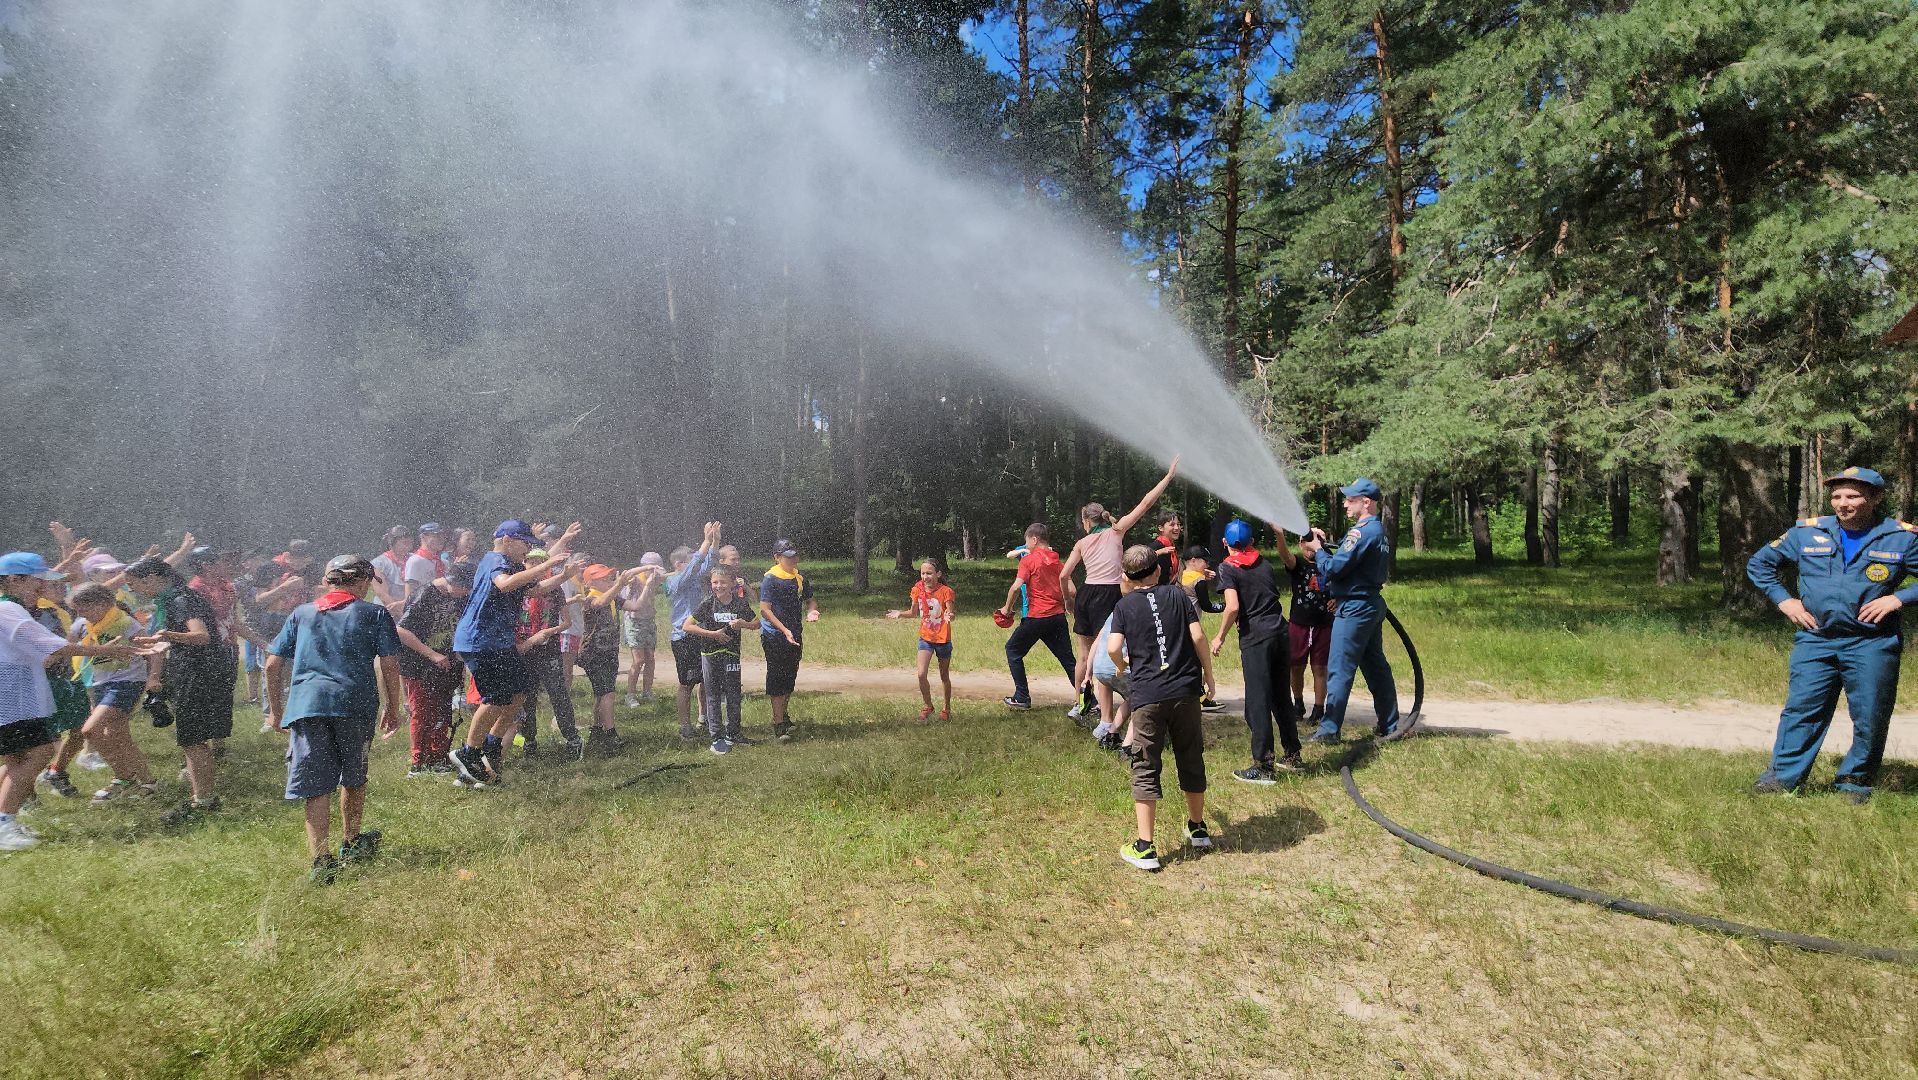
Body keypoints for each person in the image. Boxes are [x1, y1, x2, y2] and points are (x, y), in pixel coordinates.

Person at [1747, 466, 1918, 803]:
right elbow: (1759, 564)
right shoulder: (1807, 533)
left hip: (1871, 642)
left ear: (1875, 498)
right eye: (1837, 496)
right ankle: (1782, 778)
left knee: (1870, 714)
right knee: (1802, 709)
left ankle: (1854, 782)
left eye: (1853, 496)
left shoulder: (1901, 537)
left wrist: (1899, 598)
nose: (1843, 503)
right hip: (1816, 639)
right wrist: (1785, 601)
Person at [264, 554, 404, 884]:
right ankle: (351, 842)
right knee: (353, 776)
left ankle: (321, 860)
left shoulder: (302, 613)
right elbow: (389, 663)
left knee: (316, 785)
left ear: (328, 581)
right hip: (353, 705)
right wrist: (392, 707)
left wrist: (276, 712)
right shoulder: (374, 613)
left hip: (307, 707)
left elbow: (272, 665)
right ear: (362, 581)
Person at [0, 553, 143, 850]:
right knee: (39, 753)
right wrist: (105, 651)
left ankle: (6, 820)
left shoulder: (10, 608)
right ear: (14, 580)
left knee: (18, 758)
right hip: (13, 698)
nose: (43, 587)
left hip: (15, 695)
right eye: (38, 581)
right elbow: (52, 646)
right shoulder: (9, 609)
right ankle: (5, 824)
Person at [1107, 544, 1217, 872]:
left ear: (1127, 577)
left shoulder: (1124, 606)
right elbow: (1198, 637)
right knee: (1190, 755)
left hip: (1148, 695)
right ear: (1158, 570)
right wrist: (1208, 675)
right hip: (1185, 691)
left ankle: (1145, 847)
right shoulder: (1178, 595)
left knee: (1145, 764)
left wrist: (1122, 665)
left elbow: (1113, 647)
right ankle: (1197, 828)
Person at [447, 519, 579, 788]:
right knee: (496, 697)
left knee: (521, 690)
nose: (528, 550)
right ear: (507, 541)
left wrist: (563, 576)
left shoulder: (512, 564)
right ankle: (468, 753)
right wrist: (543, 566)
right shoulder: (494, 560)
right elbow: (505, 584)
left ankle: (492, 744)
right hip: (480, 640)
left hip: (499, 641)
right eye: (525, 544)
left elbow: (536, 589)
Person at [1058, 459, 1180, 729]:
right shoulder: (1116, 531)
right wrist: (1168, 477)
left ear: (1085, 521)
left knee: (1084, 655)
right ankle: (1107, 716)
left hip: (1087, 594)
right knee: (1106, 653)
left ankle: (1078, 704)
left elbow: (1064, 575)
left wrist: (1068, 600)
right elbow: (1145, 503)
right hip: (1110, 593)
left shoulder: (1082, 542)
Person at [127, 556, 234, 824]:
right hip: (196, 671)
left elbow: (201, 636)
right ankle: (202, 796)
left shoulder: (181, 600)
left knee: (192, 738)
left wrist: (166, 636)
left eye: (134, 584)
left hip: (198, 673)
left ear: (152, 578)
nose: (133, 590)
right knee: (193, 738)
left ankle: (203, 801)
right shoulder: (175, 598)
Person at [1304, 479, 1402, 743]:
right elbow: (1351, 561)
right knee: (1376, 667)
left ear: (1365, 502)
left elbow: (1334, 569)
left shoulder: (1360, 533)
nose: (1345, 504)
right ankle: (1390, 724)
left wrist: (1317, 551)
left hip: (1354, 609)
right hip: (1368, 605)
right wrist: (1324, 545)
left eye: (1350, 499)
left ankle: (1329, 731)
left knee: (1339, 669)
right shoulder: (1377, 530)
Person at [1212, 519, 1300, 783]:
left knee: (1257, 701)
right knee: (1281, 696)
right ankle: (1293, 755)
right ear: (1251, 542)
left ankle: (1263, 765)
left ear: (1225, 542)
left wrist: (1219, 636)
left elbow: (1233, 607)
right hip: (1280, 632)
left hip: (1256, 638)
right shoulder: (1263, 563)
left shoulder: (1227, 567)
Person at [59, 584, 159, 803]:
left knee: (90, 730)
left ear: (103, 603)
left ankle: (124, 777)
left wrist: (153, 677)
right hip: (100, 683)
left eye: (84, 608)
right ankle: (148, 782)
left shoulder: (125, 623)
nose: (81, 614)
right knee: (119, 736)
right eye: (77, 610)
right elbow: (67, 646)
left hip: (127, 682)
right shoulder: (83, 624)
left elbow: (154, 650)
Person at [394, 558, 474, 778]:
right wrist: (432, 654)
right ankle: (418, 763)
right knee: (423, 713)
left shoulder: (459, 596)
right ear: (452, 581)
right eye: (465, 588)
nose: (466, 593)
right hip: (420, 665)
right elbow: (401, 631)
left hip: (447, 664)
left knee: (443, 711)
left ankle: (438, 757)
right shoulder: (425, 595)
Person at [994, 523, 1078, 712]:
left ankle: (1022, 697)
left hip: (1037, 617)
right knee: (1068, 660)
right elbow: (1072, 590)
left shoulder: (1028, 560)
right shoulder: (1058, 561)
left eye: (1027, 542)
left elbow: (1016, 587)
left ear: (1034, 539)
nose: (1027, 546)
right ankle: (1090, 702)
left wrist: (1006, 609)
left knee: (1013, 650)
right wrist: (1065, 602)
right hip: (1057, 617)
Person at [513, 549, 586, 762]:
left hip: (548, 649)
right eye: (532, 562)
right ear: (525, 564)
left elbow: (567, 622)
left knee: (558, 692)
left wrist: (550, 632)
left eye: (541, 562)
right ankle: (529, 739)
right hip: (525, 649)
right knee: (527, 696)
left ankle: (572, 738)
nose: (536, 566)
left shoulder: (554, 589)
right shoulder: (517, 587)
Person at [581, 563, 658, 756]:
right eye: (603, 578)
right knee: (608, 693)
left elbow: (636, 606)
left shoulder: (614, 597)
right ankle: (610, 734)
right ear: (590, 583)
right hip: (594, 654)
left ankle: (597, 730)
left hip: (609, 653)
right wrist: (619, 584)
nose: (609, 580)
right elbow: (600, 603)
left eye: (609, 577)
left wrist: (648, 583)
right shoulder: (590, 598)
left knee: (601, 694)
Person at [686, 567, 762, 754]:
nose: (718, 586)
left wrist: (743, 624)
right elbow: (687, 626)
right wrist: (713, 634)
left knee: (733, 694)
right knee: (713, 695)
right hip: (710, 655)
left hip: (731, 654)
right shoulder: (707, 604)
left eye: (723, 582)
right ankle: (716, 737)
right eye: (715, 582)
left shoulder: (739, 604)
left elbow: (757, 623)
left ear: (732, 583)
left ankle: (733, 733)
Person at [758, 539, 818, 742]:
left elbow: (810, 599)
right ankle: (778, 725)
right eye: (788, 557)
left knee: (790, 676)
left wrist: (812, 611)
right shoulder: (770, 579)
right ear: (777, 557)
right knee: (777, 677)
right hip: (774, 635)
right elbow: (765, 610)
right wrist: (784, 630)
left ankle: (784, 716)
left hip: (794, 634)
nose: (794, 560)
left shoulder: (799, 577)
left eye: (795, 556)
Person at [1277, 522, 1335, 728]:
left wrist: (1339, 598)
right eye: (1307, 540)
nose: (1311, 544)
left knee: (1320, 668)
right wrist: (1279, 534)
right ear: (1301, 544)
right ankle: (1298, 704)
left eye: (1318, 540)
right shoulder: (1299, 565)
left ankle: (1319, 709)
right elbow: (1285, 556)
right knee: (1296, 666)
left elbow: (1347, 583)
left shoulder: (1331, 564)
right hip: (1299, 624)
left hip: (1324, 624)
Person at [667, 524, 721, 740]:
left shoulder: (696, 577)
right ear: (679, 564)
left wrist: (715, 541)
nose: (696, 563)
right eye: (691, 560)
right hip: (684, 638)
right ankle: (685, 726)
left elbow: (709, 563)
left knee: (706, 679)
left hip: (702, 632)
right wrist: (705, 541)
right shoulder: (674, 581)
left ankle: (704, 719)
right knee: (687, 683)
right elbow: (695, 566)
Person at [886, 559, 956, 721]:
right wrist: (900, 614)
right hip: (926, 638)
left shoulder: (946, 591)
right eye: (923, 573)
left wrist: (949, 616)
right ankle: (928, 706)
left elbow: (951, 614)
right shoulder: (917, 590)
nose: (925, 577)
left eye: (929, 573)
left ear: (938, 574)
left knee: (944, 676)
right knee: (921, 674)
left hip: (943, 639)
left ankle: (946, 709)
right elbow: (913, 613)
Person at [622, 551, 664, 706]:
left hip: (649, 621)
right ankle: (630, 695)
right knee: (638, 660)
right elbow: (628, 575)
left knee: (650, 658)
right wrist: (645, 570)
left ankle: (647, 692)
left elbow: (669, 576)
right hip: (634, 621)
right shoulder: (635, 579)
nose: (655, 572)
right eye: (652, 568)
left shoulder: (655, 579)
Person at [402, 523, 450, 608]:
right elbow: (410, 596)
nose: (441, 539)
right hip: (422, 609)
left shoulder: (444, 563)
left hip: (442, 609)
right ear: (423, 537)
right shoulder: (415, 561)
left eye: (442, 536)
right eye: (436, 536)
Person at [372, 527, 413, 612]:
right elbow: (382, 594)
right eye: (404, 543)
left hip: (409, 609)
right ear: (392, 543)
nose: (407, 546)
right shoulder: (379, 563)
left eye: (409, 543)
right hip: (387, 611)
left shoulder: (414, 559)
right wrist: (402, 614)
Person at [1179, 546, 1225, 615]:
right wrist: (1225, 606)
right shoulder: (1199, 581)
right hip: (1191, 619)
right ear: (1193, 561)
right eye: (1206, 561)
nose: (1208, 565)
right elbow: (1207, 607)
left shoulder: (1178, 576)